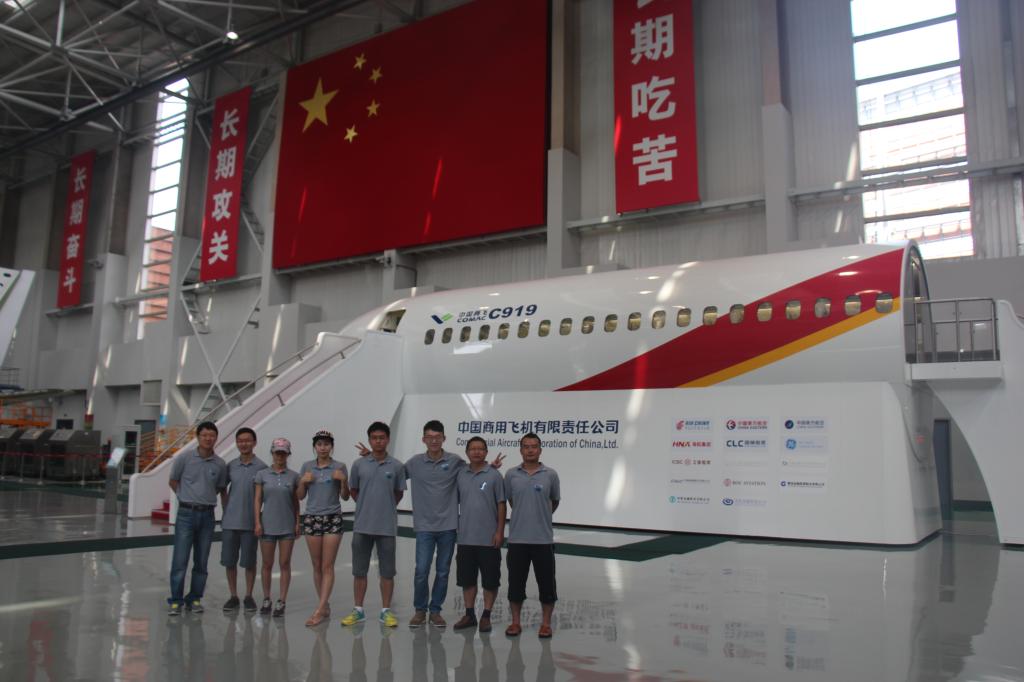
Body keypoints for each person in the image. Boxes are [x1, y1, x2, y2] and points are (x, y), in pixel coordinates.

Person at [396, 420, 504, 628]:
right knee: (422, 570)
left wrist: (491, 468)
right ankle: (420, 610)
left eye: (438, 437)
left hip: (448, 526)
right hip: (424, 527)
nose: (434, 441)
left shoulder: (455, 462)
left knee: (443, 571)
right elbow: (394, 473)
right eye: (430, 437)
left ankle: (436, 610)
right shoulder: (414, 463)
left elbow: (475, 469)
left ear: (444, 438)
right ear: (424, 439)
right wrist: (373, 457)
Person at [341, 421, 406, 627]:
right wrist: (366, 504)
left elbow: (398, 493)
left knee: (387, 572)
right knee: (359, 571)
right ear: (369, 440)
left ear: (388, 439)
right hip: (362, 526)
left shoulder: (396, 466)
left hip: (386, 527)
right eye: (374, 438)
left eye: (382, 438)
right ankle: (358, 610)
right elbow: (353, 490)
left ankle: (386, 611)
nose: (378, 441)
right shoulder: (358, 465)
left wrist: (384, 506)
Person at [167, 420, 228, 615]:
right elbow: (173, 481)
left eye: (212, 435)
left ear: (216, 438)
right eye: (204, 435)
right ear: (198, 437)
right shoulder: (184, 458)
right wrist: (185, 497)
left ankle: (194, 598)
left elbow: (219, 487)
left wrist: (203, 499)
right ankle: (176, 600)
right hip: (186, 514)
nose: (208, 438)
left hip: (207, 516)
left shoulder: (220, 464)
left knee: (201, 561)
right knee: (180, 560)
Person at [503, 433, 560, 638]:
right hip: (517, 539)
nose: (530, 450)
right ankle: (515, 622)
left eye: (534, 446)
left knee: (547, 584)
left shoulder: (550, 475)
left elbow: (554, 501)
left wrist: (540, 515)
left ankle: (546, 624)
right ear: (520, 450)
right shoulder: (511, 475)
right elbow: (511, 501)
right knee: (515, 584)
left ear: (540, 450)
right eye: (526, 446)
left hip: (542, 540)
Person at [296, 429, 350, 626]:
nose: (323, 447)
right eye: (319, 444)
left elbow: (345, 496)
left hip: (333, 517)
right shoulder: (307, 467)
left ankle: (319, 610)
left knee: (328, 565)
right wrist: (302, 482)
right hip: (312, 517)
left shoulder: (340, 466)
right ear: (315, 447)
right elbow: (300, 496)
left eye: (326, 444)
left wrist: (343, 481)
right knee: (316, 564)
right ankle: (324, 604)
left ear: (331, 446)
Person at [453, 436, 506, 633]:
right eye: (473, 449)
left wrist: (500, 531)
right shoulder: (460, 474)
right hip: (466, 538)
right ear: (467, 452)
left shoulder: (494, 476)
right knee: (467, 579)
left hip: (489, 538)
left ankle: (486, 616)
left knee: (490, 580)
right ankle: (469, 614)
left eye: (480, 449)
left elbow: (501, 504)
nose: (476, 452)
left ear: (486, 452)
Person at [220, 427, 267, 613]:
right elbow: (223, 488)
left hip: (250, 523)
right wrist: (227, 508)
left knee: (249, 561)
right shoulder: (231, 466)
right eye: (240, 441)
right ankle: (233, 595)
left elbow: (263, 495)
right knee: (229, 560)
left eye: (247, 440)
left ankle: (248, 595)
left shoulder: (261, 467)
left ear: (254, 442)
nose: (244, 444)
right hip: (230, 522)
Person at [253, 437, 300, 618]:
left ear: (288, 454)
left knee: (285, 563)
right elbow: (258, 500)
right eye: (277, 453)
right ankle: (267, 598)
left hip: (287, 526)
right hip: (267, 525)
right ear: (272, 453)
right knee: (267, 563)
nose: (280, 456)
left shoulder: (293, 476)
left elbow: (295, 502)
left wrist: (297, 522)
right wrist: (257, 522)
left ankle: (282, 600)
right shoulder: (262, 475)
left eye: (283, 453)